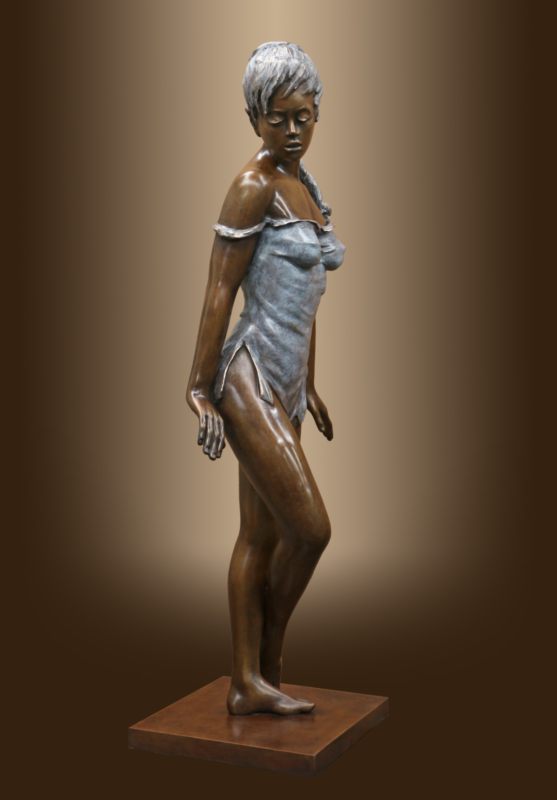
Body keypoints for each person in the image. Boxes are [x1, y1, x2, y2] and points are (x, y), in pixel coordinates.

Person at [186, 41, 345, 715]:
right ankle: (266, 656)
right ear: (254, 118)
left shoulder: (305, 187)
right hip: (247, 375)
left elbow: (305, 303)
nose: (292, 130)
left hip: (286, 383)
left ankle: (247, 682)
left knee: (259, 535)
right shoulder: (253, 186)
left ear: (317, 112)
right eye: (277, 118)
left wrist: (309, 382)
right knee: (309, 530)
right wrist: (198, 388)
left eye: (303, 116)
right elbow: (220, 292)